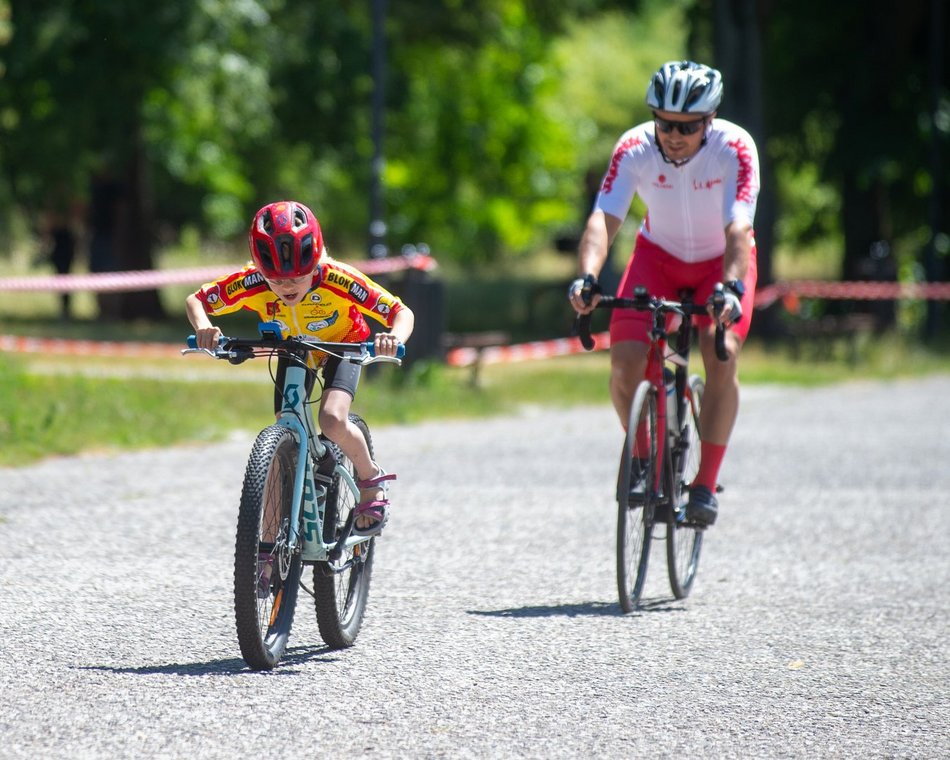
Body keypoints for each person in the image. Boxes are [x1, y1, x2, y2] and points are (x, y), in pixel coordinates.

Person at [568, 60, 760, 527]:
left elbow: (739, 227)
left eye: (687, 127)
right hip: (658, 257)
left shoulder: (735, 147)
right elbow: (604, 218)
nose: (674, 135)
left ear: (708, 121)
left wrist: (732, 289)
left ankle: (705, 484)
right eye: (665, 123)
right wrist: (587, 278)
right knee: (624, 363)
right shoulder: (634, 147)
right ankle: (643, 456)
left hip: (720, 261)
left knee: (722, 355)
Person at [186, 200, 415, 536]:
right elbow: (197, 300)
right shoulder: (251, 281)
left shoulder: (338, 278)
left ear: (316, 262)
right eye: (275, 280)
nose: (287, 287)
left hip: (345, 344)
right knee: (283, 440)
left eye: (297, 277)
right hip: (294, 349)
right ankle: (264, 552)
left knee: (333, 420)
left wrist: (393, 338)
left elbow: (401, 312)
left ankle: (370, 480)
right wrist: (205, 327)